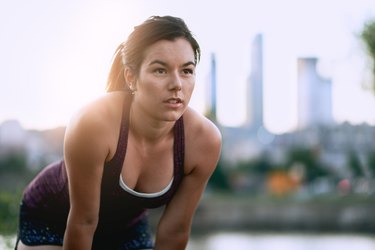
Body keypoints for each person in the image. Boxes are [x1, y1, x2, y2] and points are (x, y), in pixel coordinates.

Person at [15, 15, 221, 250]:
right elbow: (83, 222)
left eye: (186, 71)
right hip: (53, 220)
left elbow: (175, 230)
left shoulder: (204, 140)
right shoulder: (93, 122)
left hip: (126, 230)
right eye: (160, 71)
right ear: (131, 77)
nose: (177, 84)